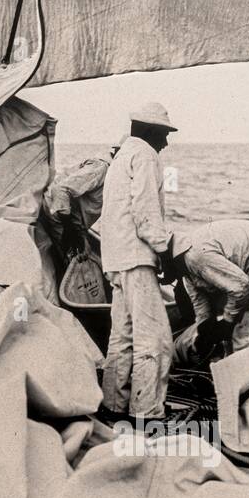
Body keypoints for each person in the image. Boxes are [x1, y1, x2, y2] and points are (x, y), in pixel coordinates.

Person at [99, 103, 177, 420]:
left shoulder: (120, 157)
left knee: (121, 337)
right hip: (136, 258)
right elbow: (145, 214)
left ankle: (114, 405)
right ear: (150, 131)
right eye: (164, 134)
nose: (166, 143)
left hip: (116, 259)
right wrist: (166, 251)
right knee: (154, 339)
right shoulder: (145, 154)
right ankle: (146, 412)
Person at [164, 220, 249, 357]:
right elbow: (202, 308)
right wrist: (204, 332)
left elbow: (241, 288)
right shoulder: (187, 272)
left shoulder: (196, 256)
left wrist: (227, 322)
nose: (162, 278)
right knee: (236, 335)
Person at [43, 134, 125, 257]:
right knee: (67, 262)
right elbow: (60, 190)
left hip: (71, 221)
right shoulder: (101, 168)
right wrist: (70, 231)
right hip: (58, 217)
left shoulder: (115, 175)